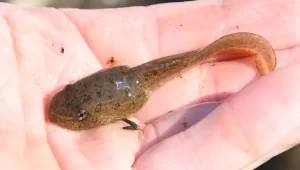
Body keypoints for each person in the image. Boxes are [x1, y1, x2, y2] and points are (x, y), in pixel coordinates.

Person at [0, 0, 298, 169]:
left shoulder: (134, 95)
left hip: (132, 83)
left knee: (192, 59)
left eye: (82, 117)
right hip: (129, 79)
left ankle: (256, 60)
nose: (76, 118)